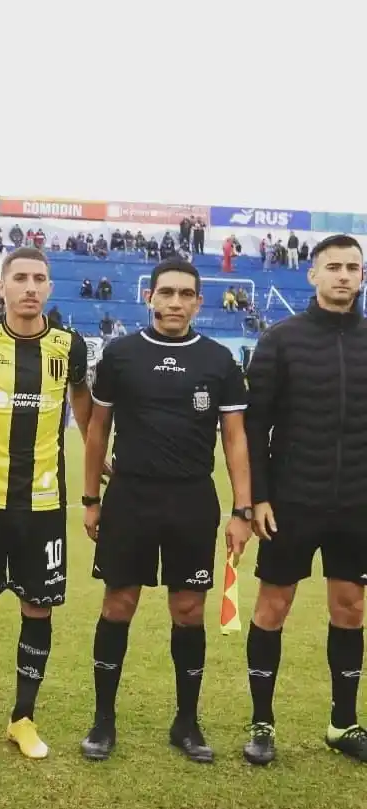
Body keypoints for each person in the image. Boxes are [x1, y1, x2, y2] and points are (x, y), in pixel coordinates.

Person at [80, 258, 252, 763]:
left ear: (199, 302)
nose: (176, 302)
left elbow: (236, 440)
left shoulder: (219, 361)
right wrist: (91, 499)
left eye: (186, 295)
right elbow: (97, 430)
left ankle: (186, 722)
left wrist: (241, 509)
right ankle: (103, 722)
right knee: (119, 604)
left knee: (188, 610)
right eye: (167, 293)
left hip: (192, 499)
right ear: (149, 297)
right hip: (130, 497)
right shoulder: (121, 355)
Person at [0, 247, 93, 760]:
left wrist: (99, 452)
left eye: (39, 279)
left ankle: (23, 719)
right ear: (2, 286)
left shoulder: (70, 347)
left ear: (50, 288)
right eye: (20, 278)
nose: (30, 287)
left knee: (38, 606)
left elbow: (83, 403)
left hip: (45, 504)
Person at [243, 234, 367, 765]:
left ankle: (343, 724)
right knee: (274, 607)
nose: (344, 276)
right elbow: (254, 427)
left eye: (353, 268)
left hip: (357, 506)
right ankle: (262, 722)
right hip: (291, 502)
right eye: (333, 267)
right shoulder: (281, 339)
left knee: (350, 608)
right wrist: (260, 497)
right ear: (312, 275)